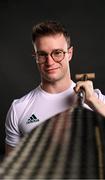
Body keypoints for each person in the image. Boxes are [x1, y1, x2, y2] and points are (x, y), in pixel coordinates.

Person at [5, 20, 105, 155]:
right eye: (42, 54)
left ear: (69, 53)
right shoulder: (19, 108)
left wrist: (93, 101)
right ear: (35, 57)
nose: (50, 62)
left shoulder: (96, 100)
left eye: (57, 53)